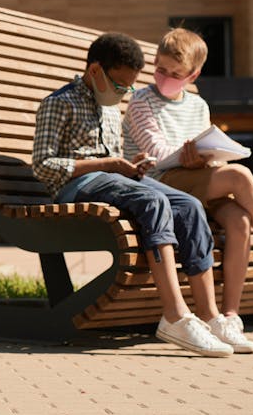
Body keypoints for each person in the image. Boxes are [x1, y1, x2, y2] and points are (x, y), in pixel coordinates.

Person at [123, 27, 253, 352]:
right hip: (158, 183)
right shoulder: (141, 101)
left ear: (193, 74)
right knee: (240, 177)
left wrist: (206, 157)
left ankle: (229, 317)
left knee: (240, 221)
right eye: (160, 69)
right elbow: (157, 156)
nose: (165, 76)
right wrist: (190, 157)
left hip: (195, 182)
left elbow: (199, 152)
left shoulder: (198, 105)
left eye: (175, 73)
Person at [32, 32, 234, 357]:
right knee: (152, 201)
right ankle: (175, 315)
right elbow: (43, 165)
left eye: (129, 87)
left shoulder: (110, 108)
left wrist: (132, 165)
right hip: (75, 189)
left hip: (112, 182)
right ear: (95, 71)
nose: (125, 93)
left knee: (189, 206)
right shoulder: (59, 103)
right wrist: (107, 163)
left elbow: (115, 162)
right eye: (120, 85)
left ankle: (209, 316)